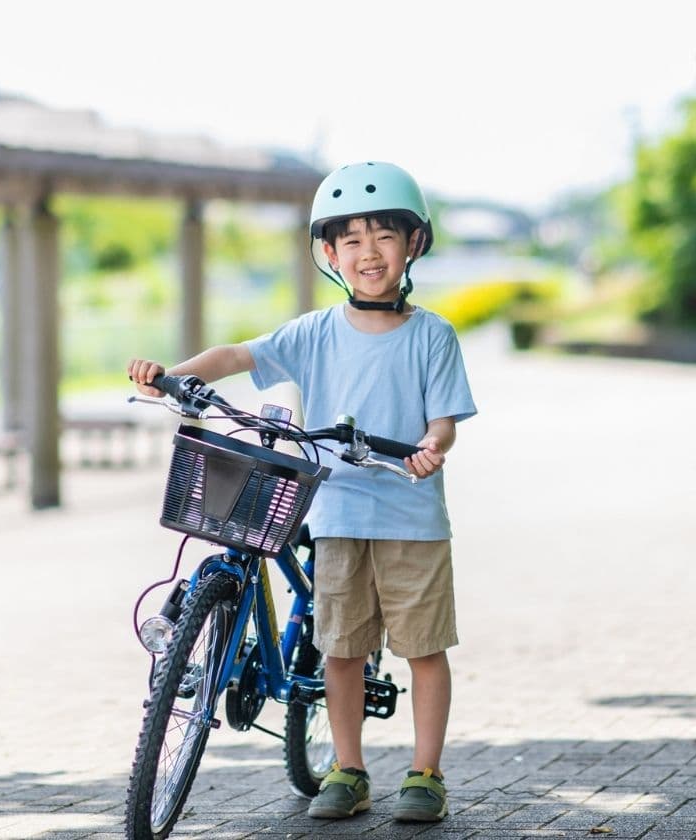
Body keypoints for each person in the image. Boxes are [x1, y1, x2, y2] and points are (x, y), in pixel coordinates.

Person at [129, 161, 477, 823]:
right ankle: (348, 769)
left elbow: (443, 420)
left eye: (384, 237)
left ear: (414, 246)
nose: (368, 253)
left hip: (412, 517)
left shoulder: (433, 335)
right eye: (351, 240)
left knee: (424, 648)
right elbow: (237, 357)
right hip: (337, 511)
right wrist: (169, 376)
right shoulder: (315, 332)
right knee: (341, 649)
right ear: (329, 253)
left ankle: (426, 773)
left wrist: (434, 448)